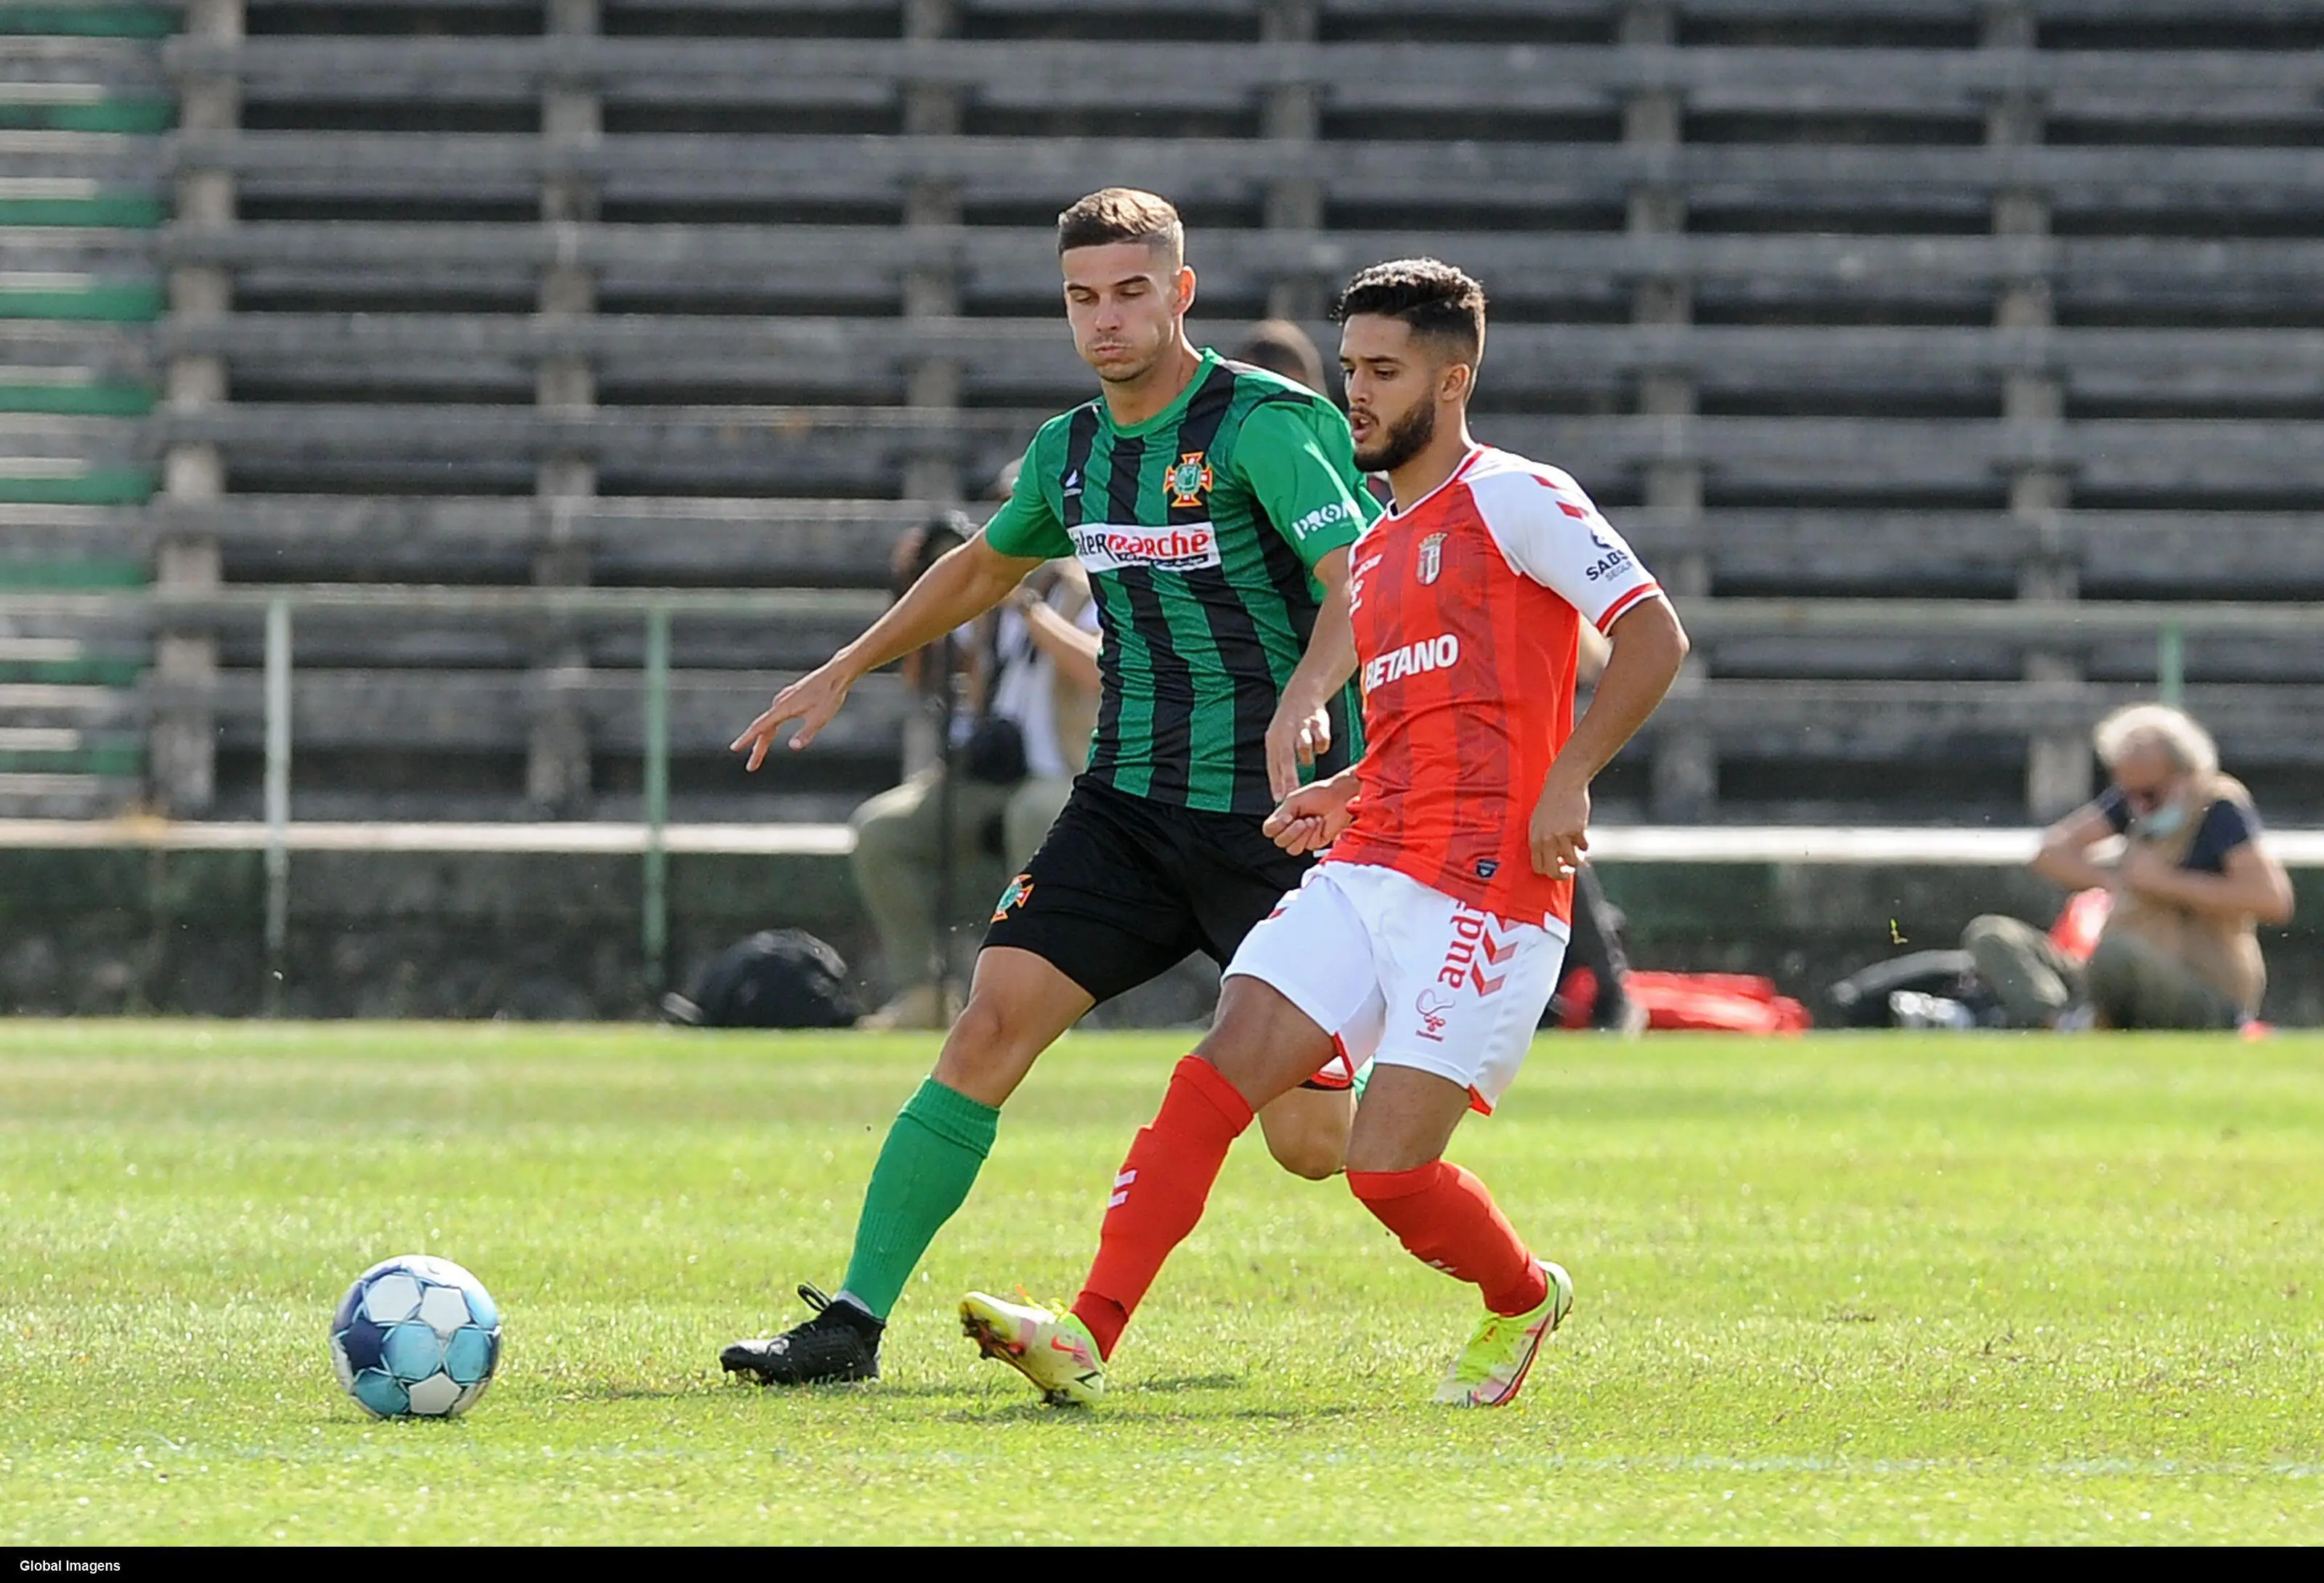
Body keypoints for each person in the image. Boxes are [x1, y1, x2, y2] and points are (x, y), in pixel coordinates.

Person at [958, 257, 1690, 1408]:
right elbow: (1422, 725)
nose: (1355, 393)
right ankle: (1087, 1333)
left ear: (1453, 384)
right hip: (1371, 866)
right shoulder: (1384, 545)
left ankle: (1521, 1296)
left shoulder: (1517, 496)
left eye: (1383, 373)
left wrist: (1572, 777)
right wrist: (1346, 790)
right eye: (1349, 367)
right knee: (1215, 1072)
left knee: (1387, 1176)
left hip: (1489, 888)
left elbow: (1654, 637)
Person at [719, 187, 1379, 1386]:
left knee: (1312, 1145)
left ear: (1181, 292)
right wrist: (847, 666)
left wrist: (1306, 697)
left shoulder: (1265, 426)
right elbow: (983, 567)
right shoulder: (1069, 450)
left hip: (1275, 825)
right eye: (1083, 297)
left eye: (1132, 291)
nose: (1106, 319)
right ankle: (851, 1325)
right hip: (1123, 811)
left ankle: (1485, 1221)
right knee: (986, 1029)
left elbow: (1358, 581)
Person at [849, 513, 1103, 1031]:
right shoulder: (993, 599)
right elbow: (924, 674)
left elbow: (1099, 667)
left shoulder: (1091, 584)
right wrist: (914, 583)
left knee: (1034, 818)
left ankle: (1045, 1001)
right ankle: (923, 993)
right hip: (992, 775)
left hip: (1065, 771)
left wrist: (1028, 606)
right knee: (883, 831)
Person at [1965, 704, 2292, 1030]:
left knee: (2115, 956)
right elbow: (2051, 854)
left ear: (2186, 774)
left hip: (2200, 987)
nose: (2138, 806)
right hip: (2115, 972)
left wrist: (2166, 883)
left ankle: (2086, 1023)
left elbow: (2273, 900)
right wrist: (2114, 880)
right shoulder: (2137, 800)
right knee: (1994, 935)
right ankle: (2056, 1023)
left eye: (2148, 795)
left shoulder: (2220, 808)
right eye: (2128, 794)